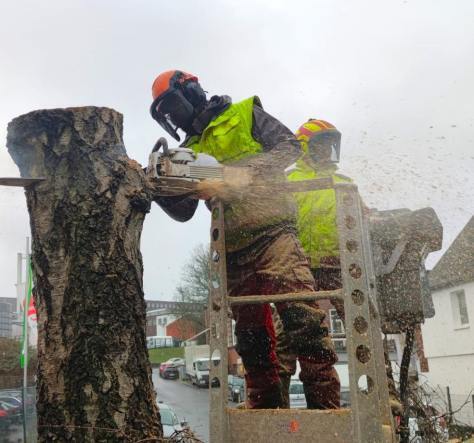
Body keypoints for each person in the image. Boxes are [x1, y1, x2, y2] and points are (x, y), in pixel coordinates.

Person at [150, 70, 340, 409]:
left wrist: (247, 171)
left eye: (173, 107)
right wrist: (159, 187)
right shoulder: (188, 152)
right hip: (233, 247)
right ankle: (266, 408)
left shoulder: (243, 113)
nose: (174, 117)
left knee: (301, 317)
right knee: (251, 336)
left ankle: (325, 405)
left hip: (274, 231)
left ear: (190, 91)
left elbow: (288, 146)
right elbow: (183, 211)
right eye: (167, 114)